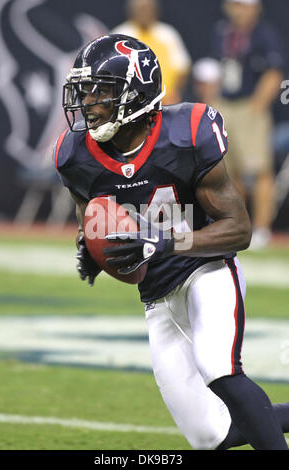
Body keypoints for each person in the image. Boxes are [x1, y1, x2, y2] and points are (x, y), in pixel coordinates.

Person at [54, 34, 289, 450]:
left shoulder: (187, 133)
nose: (88, 102)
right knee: (209, 436)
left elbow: (239, 229)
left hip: (207, 269)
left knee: (219, 369)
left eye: (102, 91)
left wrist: (164, 243)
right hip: (158, 292)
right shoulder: (77, 155)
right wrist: (91, 251)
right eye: (84, 90)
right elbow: (89, 219)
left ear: (136, 92)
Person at [211, 0, 285, 248]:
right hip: (227, 104)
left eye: (242, 6)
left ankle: (262, 229)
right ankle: (237, 225)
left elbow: (275, 72)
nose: (238, 10)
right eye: (235, 5)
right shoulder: (223, 31)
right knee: (231, 172)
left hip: (249, 105)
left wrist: (257, 105)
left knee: (259, 169)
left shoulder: (263, 33)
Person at [112, 0, 191, 105]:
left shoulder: (168, 34)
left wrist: (175, 93)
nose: (145, 13)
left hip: (166, 101)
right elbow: (113, 72)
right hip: (131, 103)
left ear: (156, 11)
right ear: (131, 11)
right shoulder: (121, 35)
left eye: (148, 9)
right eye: (141, 9)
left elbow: (183, 68)